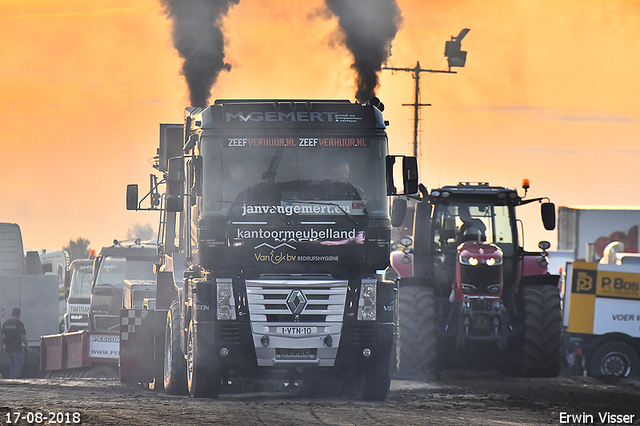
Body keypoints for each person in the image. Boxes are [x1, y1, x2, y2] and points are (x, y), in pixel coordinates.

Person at [1, 308, 29, 379]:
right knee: (18, 364)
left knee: (12, 365)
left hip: (8, 348)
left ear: (12, 314)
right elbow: (22, 337)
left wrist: (1, 346)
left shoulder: (6, 323)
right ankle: (12, 377)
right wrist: (26, 345)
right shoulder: (19, 324)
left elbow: (1, 335)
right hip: (17, 348)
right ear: (19, 315)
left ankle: (12, 378)